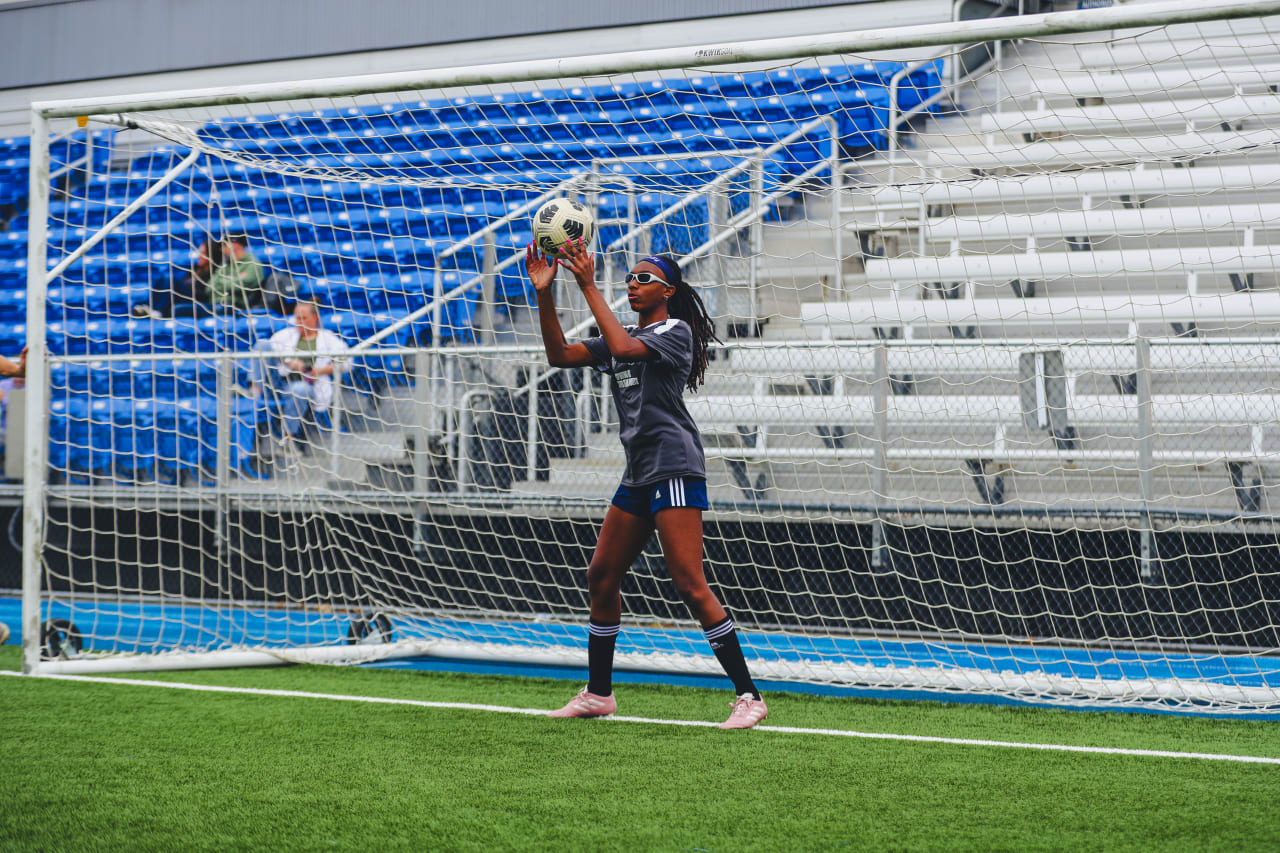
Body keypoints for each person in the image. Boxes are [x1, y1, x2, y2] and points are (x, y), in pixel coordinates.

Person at [526, 238, 768, 730]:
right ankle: (598, 693)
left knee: (687, 582)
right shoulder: (623, 334)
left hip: (674, 465)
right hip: (639, 471)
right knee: (601, 575)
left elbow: (620, 346)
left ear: (667, 291)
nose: (633, 285)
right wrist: (545, 294)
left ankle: (749, 696)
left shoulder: (674, 330)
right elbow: (558, 354)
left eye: (644, 279)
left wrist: (588, 284)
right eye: (630, 279)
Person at [254, 301, 347, 451]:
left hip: (307, 385)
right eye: (297, 318)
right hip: (278, 383)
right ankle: (254, 392)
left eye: (304, 318)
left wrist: (321, 370)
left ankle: (288, 438)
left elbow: (347, 362)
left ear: (315, 317)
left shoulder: (328, 339)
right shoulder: (287, 335)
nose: (299, 322)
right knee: (262, 345)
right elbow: (270, 349)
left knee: (300, 389)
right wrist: (289, 361)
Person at [208, 234, 265, 311]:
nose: (221, 249)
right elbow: (209, 287)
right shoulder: (225, 265)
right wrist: (234, 279)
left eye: (224, 245)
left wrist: (222, 282)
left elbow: (246, 284)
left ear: (235, 245)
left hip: (237, 305)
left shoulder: (253, 264)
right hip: (214, 304)